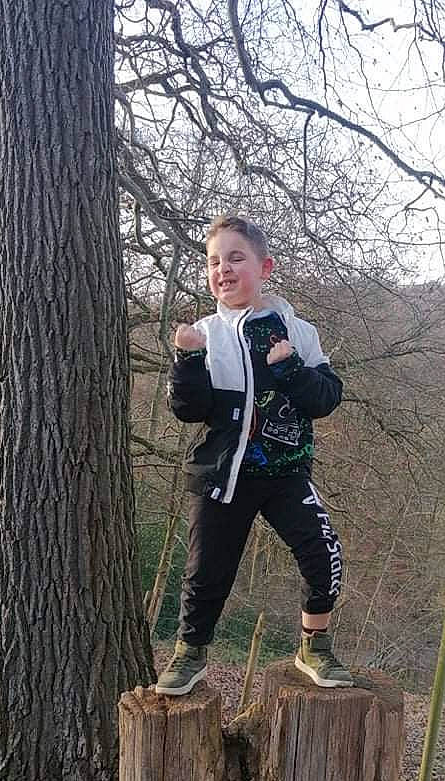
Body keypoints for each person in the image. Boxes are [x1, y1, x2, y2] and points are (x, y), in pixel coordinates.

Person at [155, 214, 352, 695]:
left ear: (264, 268)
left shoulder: (299, 331)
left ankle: (315, 647)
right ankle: (190, 654)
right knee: (205, 572)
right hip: (223, 473)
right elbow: (189, 410)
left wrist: (290, 369)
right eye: (214, 261)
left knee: (324, 555)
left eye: (235, 258)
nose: (223, 268)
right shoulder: (203, 334)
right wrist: (188, 361)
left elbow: (326, 398)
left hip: (287, 473)